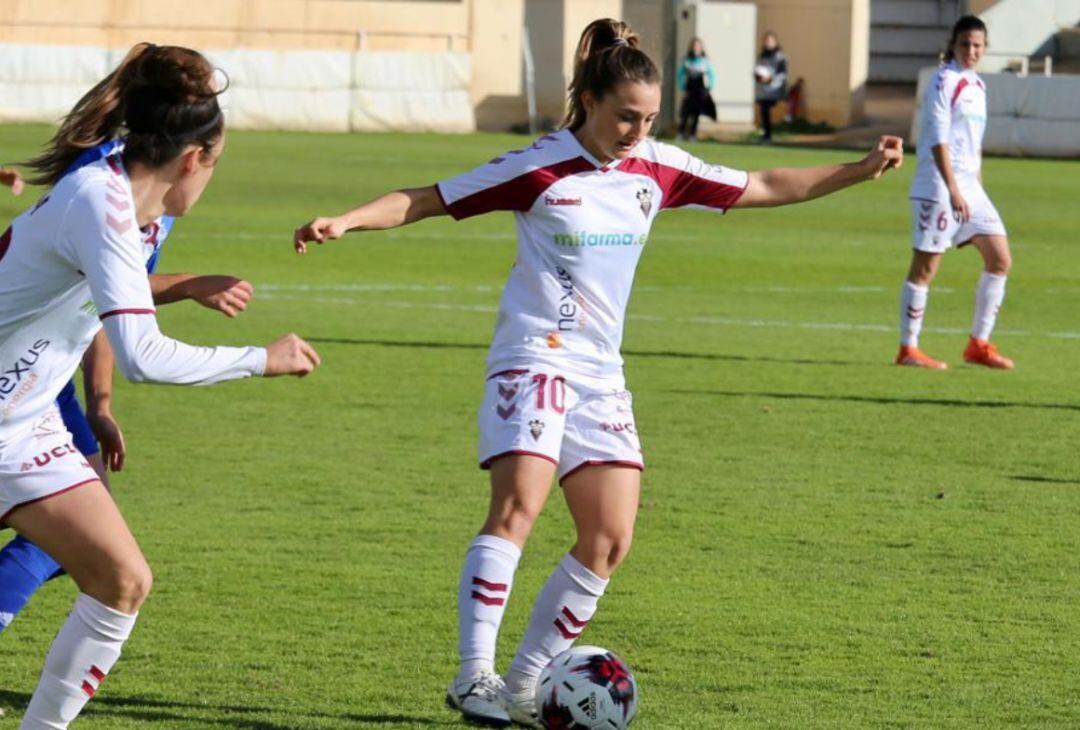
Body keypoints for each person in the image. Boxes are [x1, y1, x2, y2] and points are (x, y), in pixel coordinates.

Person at [293, 17, 901, 728]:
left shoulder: (657, 169)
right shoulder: (540, 168)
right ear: (587, 101)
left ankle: (522, 685)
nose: (635, 131)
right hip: (534, 354)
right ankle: (473, 676)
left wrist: (856, 173)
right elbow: (428, 197)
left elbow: (764, 182)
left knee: (610, 538)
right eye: (624, 117)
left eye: (647, 119)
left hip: (600, 374)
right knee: (519, 505)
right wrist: (346, 219)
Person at [0, 42, 319, 729]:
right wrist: (261, 359)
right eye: (216, 164)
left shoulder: (123, 205)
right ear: (192, 159)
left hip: (22, 427)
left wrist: (101, 404)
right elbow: (142, 352)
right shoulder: (100, 199)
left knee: (122, 582)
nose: (210, 179)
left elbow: (99, 319)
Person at [0, 139, 257, 635]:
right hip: (26, 367)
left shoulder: (153, 188)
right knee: (67, 536)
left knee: (84, 538)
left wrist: (101, 403)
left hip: (51, 368)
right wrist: (190, 287)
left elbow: (106, 306)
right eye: (211, 154)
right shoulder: (107, 176)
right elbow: (104, 289)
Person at [896, 15, 1013, 370]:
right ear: (954, 44)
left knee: (1000, 259)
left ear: (985, 47)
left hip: (969, 186)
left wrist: (974, 186)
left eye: (977, 45)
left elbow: (972, 145)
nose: (971, 51)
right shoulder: (944, 80)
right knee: (926, 267)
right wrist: (953, 189)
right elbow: (938, 140)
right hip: (939, 186)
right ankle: (908, 349)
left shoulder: (977, 84)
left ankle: (978, 343)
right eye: (965, 44)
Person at [676, 37, 716, 141]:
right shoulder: (687, 60)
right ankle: (681, 133)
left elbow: (711, 75)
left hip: (700, 90)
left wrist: (709, 87)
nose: (696, 48)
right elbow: (680, 75)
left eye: (698, 46)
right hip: (690, 89)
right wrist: (682, 87)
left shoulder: (704, 61)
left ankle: (693, 134)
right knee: (685, 112)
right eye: (694, 46)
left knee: (696, 113)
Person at [754, 31, 788, 143]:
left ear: (775, 42)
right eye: (766, 41)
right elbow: (756, 72)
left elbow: (783, 73)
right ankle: (766, 135)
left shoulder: (780, 56)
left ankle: (769, 134)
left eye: (770, 41)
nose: (768, 43)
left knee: (768, 111)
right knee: (764, 112)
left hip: (775, 90)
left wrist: (771, 79)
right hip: (763, 91)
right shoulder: (761, 56)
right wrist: (760, 78)